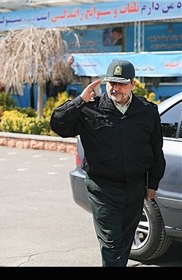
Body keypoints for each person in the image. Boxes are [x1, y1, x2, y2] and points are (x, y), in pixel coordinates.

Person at [50, 59, 165, 267]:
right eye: (111, 82)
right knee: (111, 244)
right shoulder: (89, 109)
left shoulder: (147, 111)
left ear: (132, 84)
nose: (115, 88)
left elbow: (156, 150)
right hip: (103, 190)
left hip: (135, 188)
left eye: (121, 83)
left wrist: (152, 185)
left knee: (125, 243)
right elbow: (57, 124)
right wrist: (79, 101)